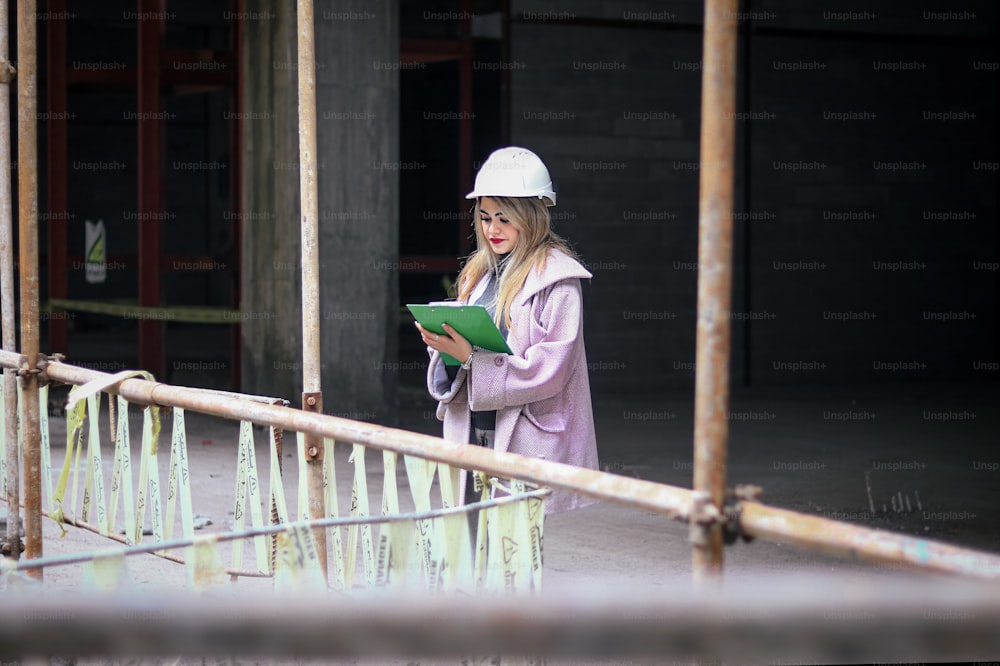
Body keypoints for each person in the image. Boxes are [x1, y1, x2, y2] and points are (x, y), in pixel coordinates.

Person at [416, 146, 599, 514]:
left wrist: (471, 358)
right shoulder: (476, 274)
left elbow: (552, 371)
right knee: (467, 544)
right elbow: (463, 356)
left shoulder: (559, 280)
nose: (492, 230)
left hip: (524, 437)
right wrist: (443, 347)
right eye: (484, 218)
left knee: (514, 553)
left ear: (530, 216)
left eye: (504, 218)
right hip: (471, 429)